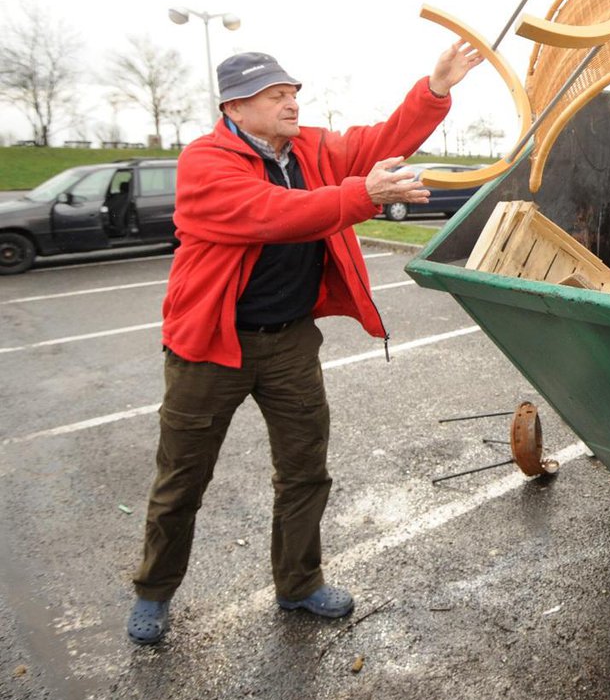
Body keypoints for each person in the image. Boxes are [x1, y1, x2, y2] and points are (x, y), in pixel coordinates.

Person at [126, 42, 482, 645]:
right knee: (182, 479)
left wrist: (436, 89)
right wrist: (364, 196)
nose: (293, 101)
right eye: (277, 94)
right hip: (210, 347)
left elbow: (379, 141)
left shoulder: (311, 147)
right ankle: (154, 592)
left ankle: (298, 583)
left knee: (304, 471)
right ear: (235, 106)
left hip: (289, 342)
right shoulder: (205, 162)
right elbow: (273, 213)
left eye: (293, 91)